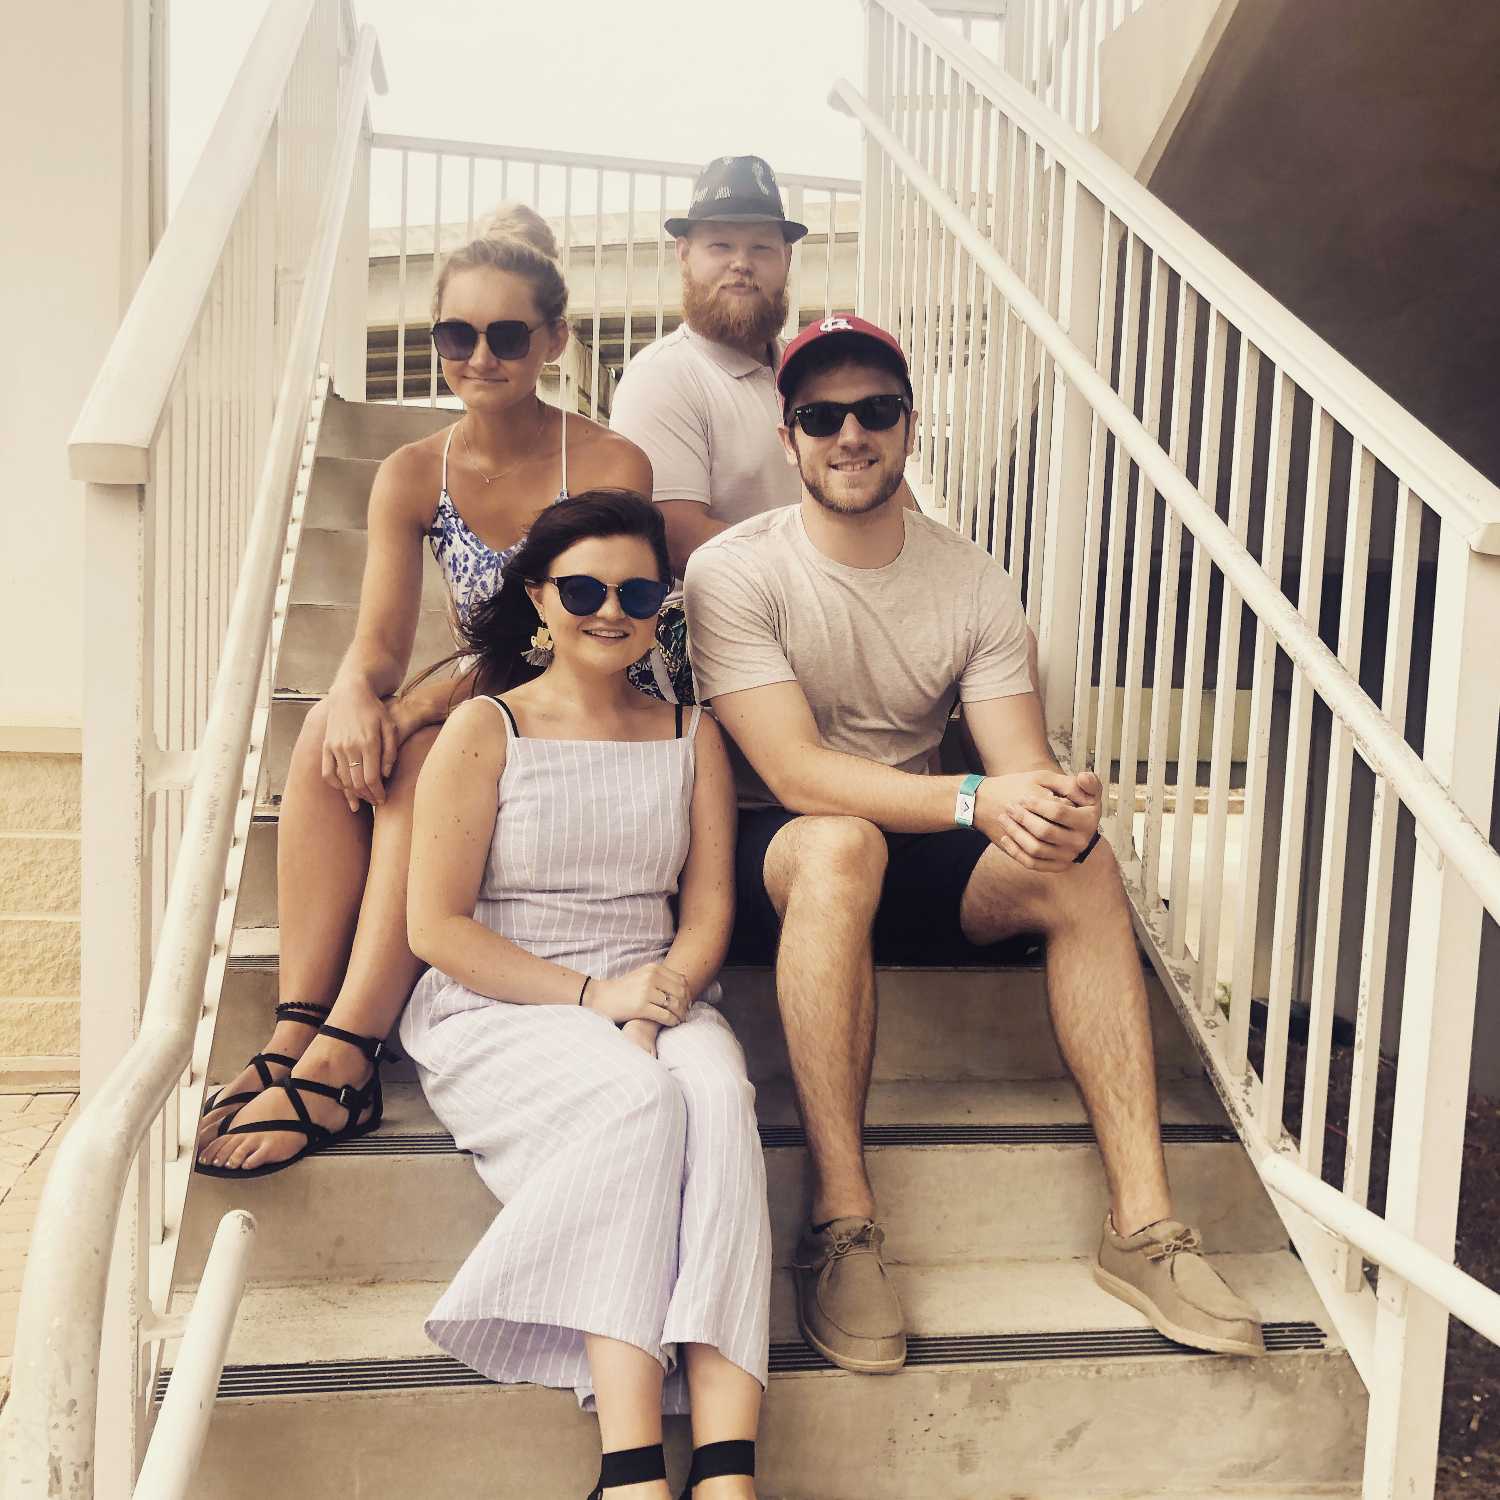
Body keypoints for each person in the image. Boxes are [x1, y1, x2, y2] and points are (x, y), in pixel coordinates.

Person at [683, 315, 1265, 1376]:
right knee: (839, 842)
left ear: (911, 426)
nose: (850, 434)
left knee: (1076, 865)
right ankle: (842, 1225)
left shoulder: (973, 580)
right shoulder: (735, 570)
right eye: (822, 415)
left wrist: (1053, 807)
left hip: (915, 846)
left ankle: (1143, 1228)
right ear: (788, 435)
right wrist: (974, 798)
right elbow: (797, 773)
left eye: (875, 411)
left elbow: (1017, 769)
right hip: (779, 857)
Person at [196, 206, 652, 1177]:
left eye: (507, 335)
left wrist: (414, 708)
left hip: (582, 702)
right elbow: (377, 646)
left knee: (428, 754)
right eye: (457, 334)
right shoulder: (412, 474)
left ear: (553, 340)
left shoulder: (608, 464)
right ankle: (296, 1029)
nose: (480, 357)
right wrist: (360, 697)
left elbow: (564, 642)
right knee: (329, 729)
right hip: (482, 701)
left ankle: (350, 1054)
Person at [402, 491, 768, 1500]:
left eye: (638, 593)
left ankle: (728, 1468)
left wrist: (654, 1001)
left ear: (662, 606)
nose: (611, 611)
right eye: (583, 591)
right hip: (505, 1003)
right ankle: (633, 1470)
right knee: (636, 1099)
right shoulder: (486, 727)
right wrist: (593, 997)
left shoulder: (691, 732)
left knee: (717, 1098)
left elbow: (706, 911)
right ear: (538, 597)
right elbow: (436, 929)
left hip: (662, 989)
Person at [609, 156, 806, 702]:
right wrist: (825, 572)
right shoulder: (663, 375)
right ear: (684, 253)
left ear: (787, 258)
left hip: (818, 615)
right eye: (721, 245)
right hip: (710, 629)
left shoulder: (811, 371)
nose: (741, 264)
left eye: (761, 248)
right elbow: (675, 537)